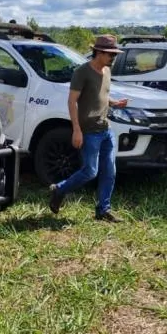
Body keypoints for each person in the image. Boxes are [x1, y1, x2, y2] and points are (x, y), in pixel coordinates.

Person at [48, 35, 129, 222]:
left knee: (110, 171)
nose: (113, 58)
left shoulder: (107, 71)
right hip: (89, 131)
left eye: (114, 54)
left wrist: (115, 103)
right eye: (110, 54)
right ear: (98, 52)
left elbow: (100, 95)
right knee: (90, 171)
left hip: (106, 130)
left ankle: (103, 210)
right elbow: (72, 101)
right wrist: (76, 129)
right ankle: (60, 189)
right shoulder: (82, 72)